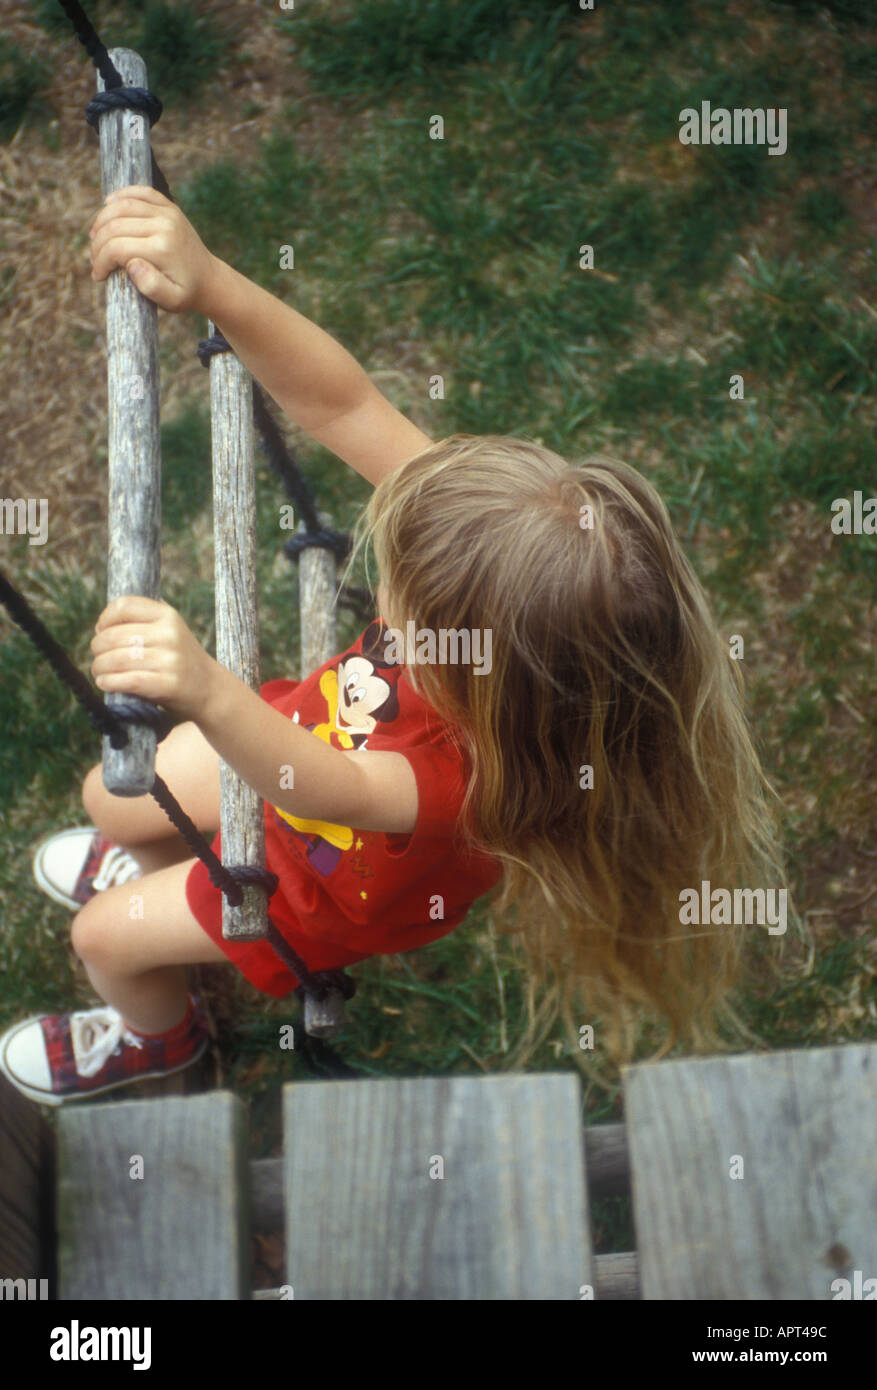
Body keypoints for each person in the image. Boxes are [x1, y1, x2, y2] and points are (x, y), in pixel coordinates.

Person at [0, 187, 795, 1106]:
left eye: (404, 605)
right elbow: (345, 404)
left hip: (318, 878)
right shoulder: (480, 554)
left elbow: (313, 785)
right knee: (109, 796)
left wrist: (209, 692)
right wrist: (216, 283)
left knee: (100, 936)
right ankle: (152, 862)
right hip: (292, 732)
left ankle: (160, 1037)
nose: (383, 586)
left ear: (483, 677)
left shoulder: (466, 781)